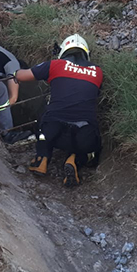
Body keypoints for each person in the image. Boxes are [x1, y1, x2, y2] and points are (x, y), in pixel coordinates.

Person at [14, 34, 102, 188]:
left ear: (63, 52)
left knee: (44, 120)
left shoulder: (55, 64)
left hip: (52, 133)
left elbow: (21, 76)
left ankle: (41, 158)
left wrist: (13, 72)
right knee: (91, 145)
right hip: (83, 137)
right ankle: (74, 159)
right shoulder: (97, 72)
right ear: (86, 53)